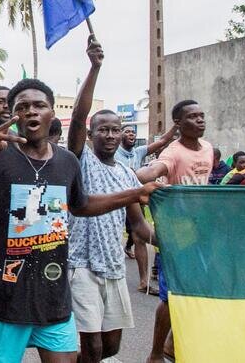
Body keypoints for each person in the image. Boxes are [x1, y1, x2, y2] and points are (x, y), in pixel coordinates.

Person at [0, 78, 163, 363]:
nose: (31, 111)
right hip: (1, 300)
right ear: (14, 115)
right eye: (23, 107)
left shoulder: (67, 161)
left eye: (39, 105)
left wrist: (135, 194)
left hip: (53, 298)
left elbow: (81, 205)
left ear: (52, 113)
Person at [66, 38, 155, 363]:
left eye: (115, 130)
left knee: (111, 348)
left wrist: (169, 242)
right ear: (91, 135)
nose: (110, 135)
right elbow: (78, 117)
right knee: (93, 348)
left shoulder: (128, 175)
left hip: (114, 267)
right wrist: (95, 68)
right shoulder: (81, 160)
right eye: (102, 130)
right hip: (81, 266)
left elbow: (138, 225)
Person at [134, 99, 213, 363]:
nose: (200, 120)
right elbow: (154, 170)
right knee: (171, 296)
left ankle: (172, 344)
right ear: (178, 123)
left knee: (194, 292)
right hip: (177, 234)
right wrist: (140, 175)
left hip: (201, 232)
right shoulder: (173, 152)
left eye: (202, 115)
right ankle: (155, 353)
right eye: (193, 116)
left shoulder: (208, 149)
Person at [115, 123, 175, 295]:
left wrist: (175, 127)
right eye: (127, 132)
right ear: (120, 135)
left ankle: (143, 282)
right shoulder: (114, 151)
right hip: (116, 199)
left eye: (133, 132)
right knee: (115, 233)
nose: (131, 134)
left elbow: (162, 141)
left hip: (135, 199)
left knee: (139, 236)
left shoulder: (139, 152)